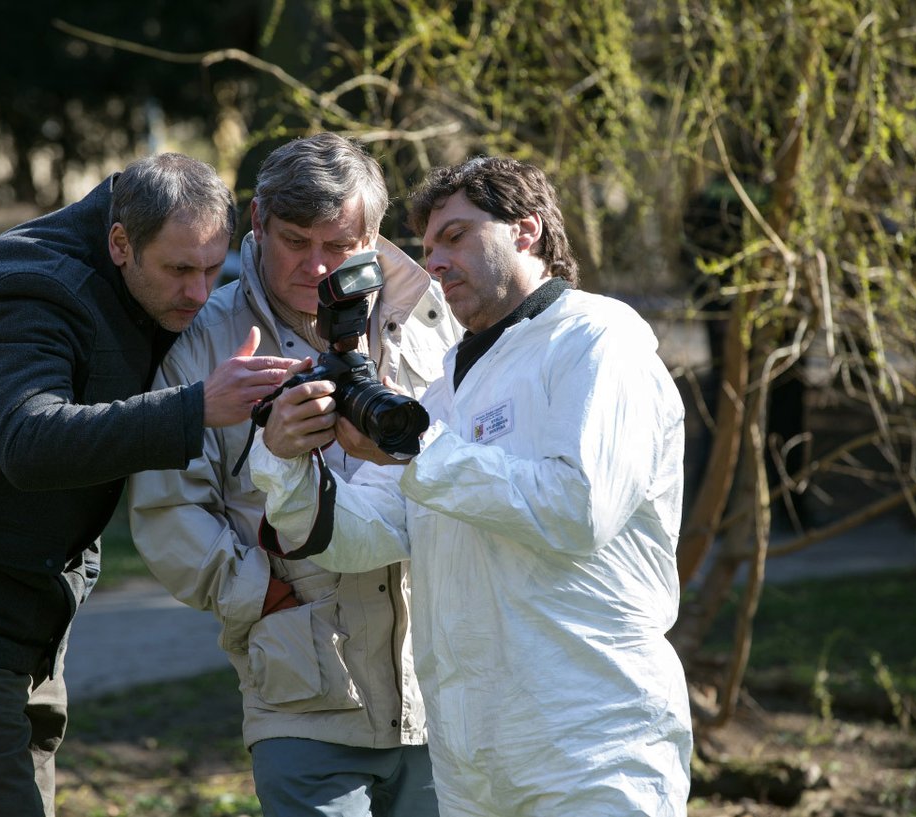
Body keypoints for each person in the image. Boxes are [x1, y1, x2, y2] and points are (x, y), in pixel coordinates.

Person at [0, 153, 299, 817]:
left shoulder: (144, 285)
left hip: (31, 603)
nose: (199, 294)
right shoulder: (26, 287)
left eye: (211, 268)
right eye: (179, 269)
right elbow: (29, 440)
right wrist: (195, 407)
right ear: (119, 242)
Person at [248, 156, 693, 816]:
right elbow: (356, 536)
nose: (435, 262)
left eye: (455, 236)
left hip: (593, 748)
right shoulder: (448, 387)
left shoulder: (597, 340)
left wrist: (416, 447)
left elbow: (578, 510)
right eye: (427, 247)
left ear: (527, 230)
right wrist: (284, 458)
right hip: (471, 768)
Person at [129, 133, 460, 816]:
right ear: (256, 222)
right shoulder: (204, 339)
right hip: (303, 698)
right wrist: (260, 595)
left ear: (373, 237)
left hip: (444, 692)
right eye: (294, 240)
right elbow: (167, 510)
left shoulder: (432, 319)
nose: (315, 266)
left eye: (338, 246)